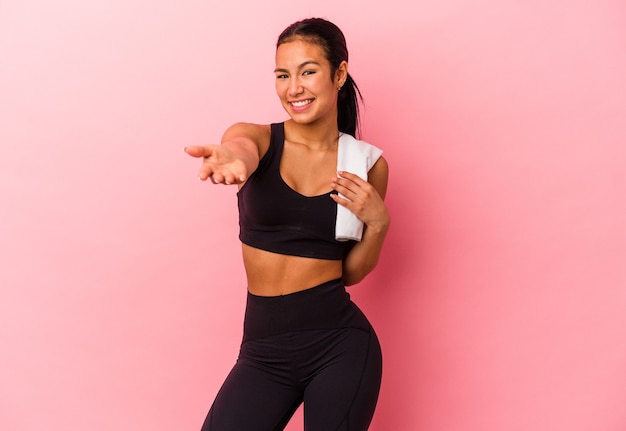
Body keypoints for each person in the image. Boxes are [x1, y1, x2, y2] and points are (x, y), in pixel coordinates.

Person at [185, 17, 390, 431]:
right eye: (282, 74)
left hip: (339, 344)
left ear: (340, 73)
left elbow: (349, 273)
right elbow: (240, 150)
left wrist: (379, 224)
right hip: (263, 351)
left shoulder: (367, 165)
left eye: (308, 71)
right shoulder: (256, 137)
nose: (293, 87)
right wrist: (233, 160)